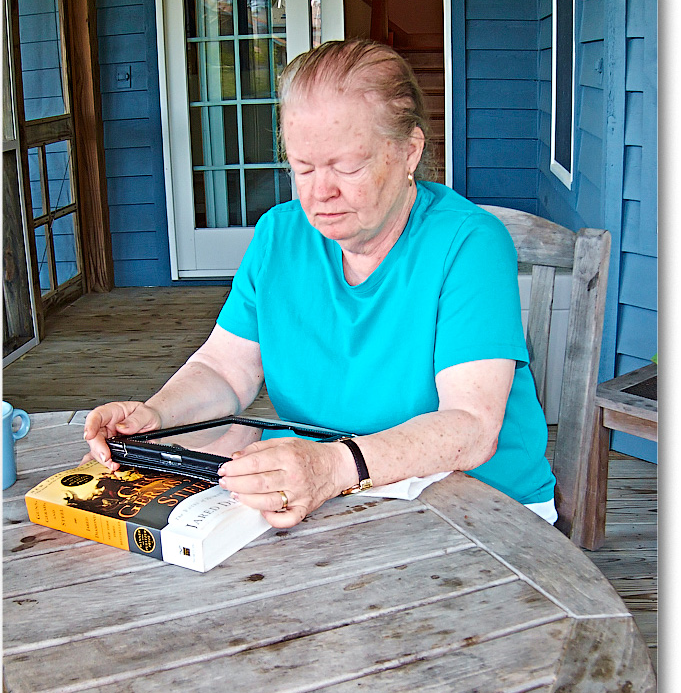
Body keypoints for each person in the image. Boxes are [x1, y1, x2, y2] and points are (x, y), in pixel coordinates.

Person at [84, 39, 556, 530]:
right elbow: (225, 369)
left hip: (477, 506)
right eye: (303, 167)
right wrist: (157, 417)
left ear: (408, 151)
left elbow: (471, 427)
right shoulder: (278, 235)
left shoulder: (468, 242)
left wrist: (331, 466)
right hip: (331, 496)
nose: (320, 192)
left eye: (347, 167)